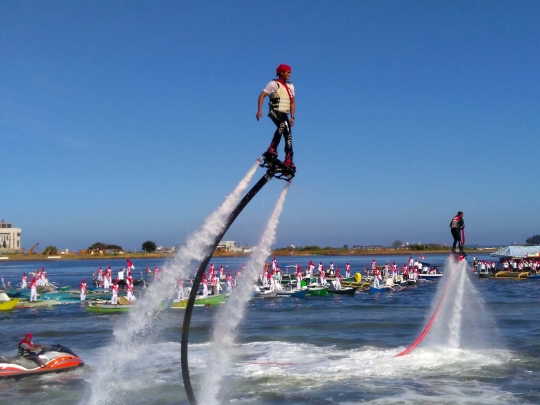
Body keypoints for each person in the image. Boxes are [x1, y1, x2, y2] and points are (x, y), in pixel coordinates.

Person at [257, 63, 296, 168]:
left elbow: (292, 102)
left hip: (285, 114)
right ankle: (272, 148)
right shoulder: (273, 84)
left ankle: (288, 159)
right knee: (282, 125)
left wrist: (292, 116)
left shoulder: (290, 86)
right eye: (288, 72)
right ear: (281, 72)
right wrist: (260, 110)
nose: (289, 74)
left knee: (288, 135)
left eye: (290, 73)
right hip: (275, 111)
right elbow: (262, 96)